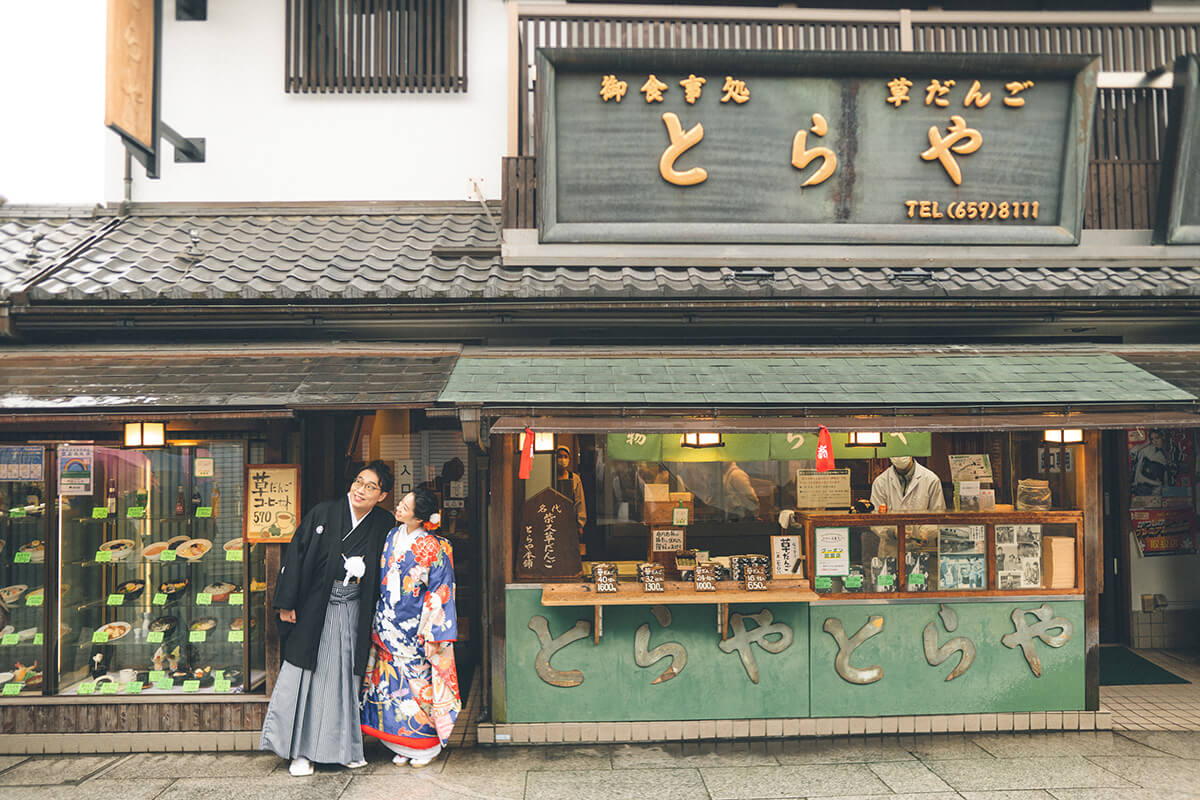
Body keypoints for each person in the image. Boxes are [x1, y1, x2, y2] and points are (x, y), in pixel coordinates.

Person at [260, 461, 395, 777]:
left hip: (354, 611)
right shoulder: (323, 513)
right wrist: (286, 603)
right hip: (316, 608)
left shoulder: (384, 523)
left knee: (347, 680)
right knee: (309, 677)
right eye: (359, 482)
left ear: (383, 495)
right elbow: (296, 556)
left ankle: (345, 747)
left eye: (370, 486)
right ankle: (301, 752)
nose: (360, 489)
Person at [360, 487, 461, 768]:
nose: (399, 508)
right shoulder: (392, 536)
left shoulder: (436, 547)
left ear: (420, 518)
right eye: (401, 503)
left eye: (406, 506)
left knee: (419, 686)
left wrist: (432, 629)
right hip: (387, 623)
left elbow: (442, 589)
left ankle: (425, 746)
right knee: (392, 688)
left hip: (416, 627)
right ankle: (401, 743)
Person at [870, 456, 946, 513]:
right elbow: (876, 519)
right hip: (891, 534)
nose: (899, 456)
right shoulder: (880, 482)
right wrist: (892, 531)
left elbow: (938, 516)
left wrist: (925, 532)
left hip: (922, 534)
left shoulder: (931, 480)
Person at [553, 446, 587, 545]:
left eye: (565, 456)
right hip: (553, 521)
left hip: (570, 523)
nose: (562, 460)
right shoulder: (550, 477)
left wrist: (580, 524)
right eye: (559, 456)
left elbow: (580, 502)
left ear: (569, 459)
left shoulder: (575, 479)